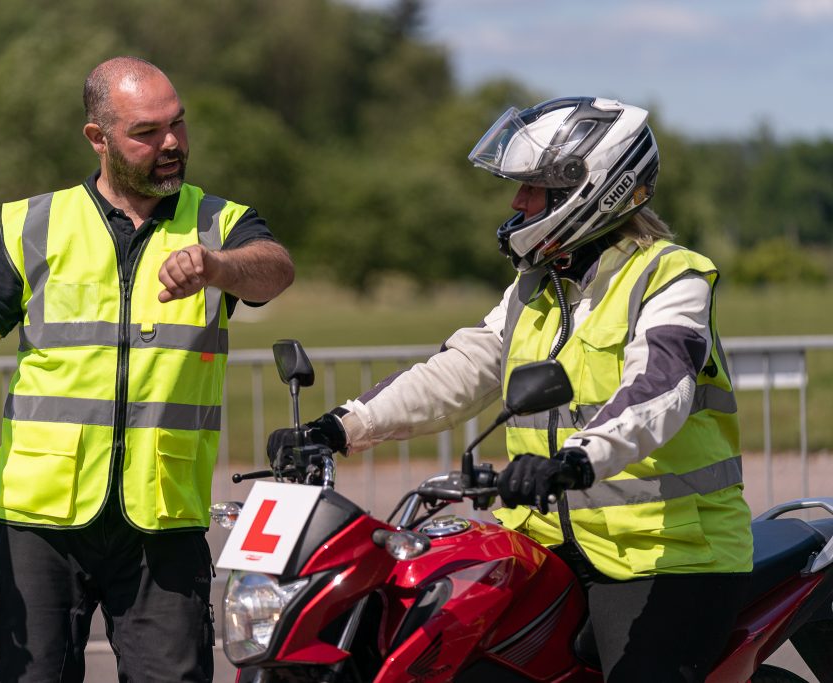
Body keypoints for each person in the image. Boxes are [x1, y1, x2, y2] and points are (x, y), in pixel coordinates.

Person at [269, 97, 752, 682]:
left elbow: (658, 392)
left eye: (534, 187)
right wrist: (338, 427)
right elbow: (464, 370)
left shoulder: (671, 278)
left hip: (668, 557)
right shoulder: (535, 287)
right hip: (543, 540)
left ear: (595, 189)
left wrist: (575, 460)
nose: (517, 202)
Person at [0, 56, 294, 682]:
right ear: (98, 137)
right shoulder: (33, 224)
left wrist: (219, 267)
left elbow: (275, 267)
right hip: (38, 521)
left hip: (161, 519)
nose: (171, 144)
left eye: (178, 125)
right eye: (146, 132)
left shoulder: (219, 222)